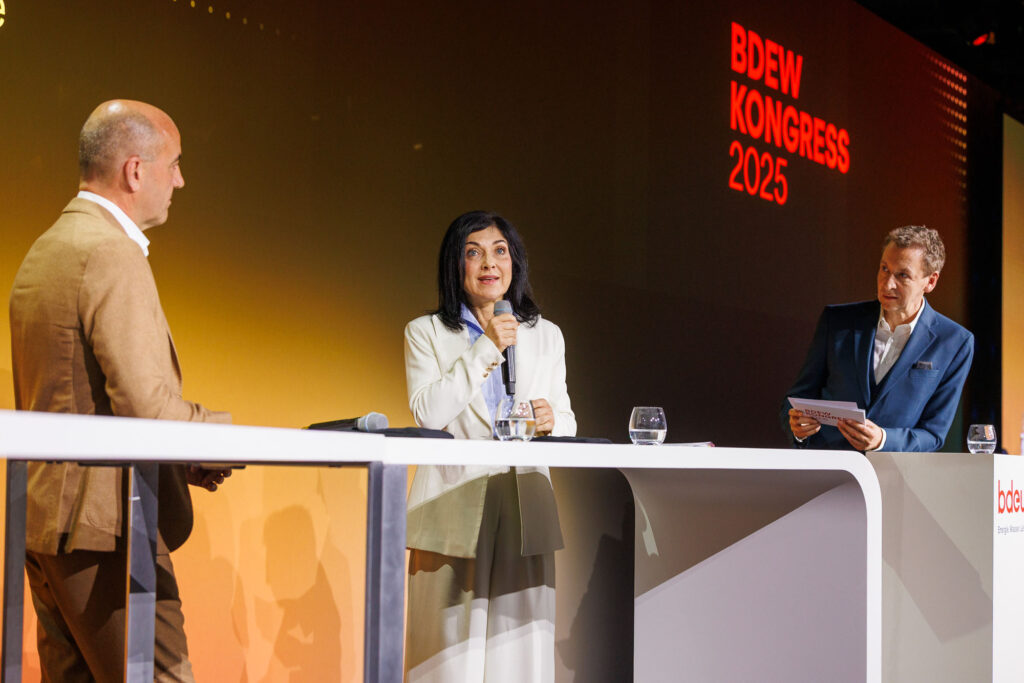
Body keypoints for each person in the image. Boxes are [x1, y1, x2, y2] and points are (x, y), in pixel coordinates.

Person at [9, 100, 232, 682]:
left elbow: (77, 398)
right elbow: (146, 407)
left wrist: (180, 460)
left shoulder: (49, 247)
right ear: (136, 171)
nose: (179, 180)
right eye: (174, 164)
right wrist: (227, 437)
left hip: (47, 524)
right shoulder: (111, 251)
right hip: (105, 526)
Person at [403, 210, 576, 682]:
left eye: (500, 251)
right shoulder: (426, 333)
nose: (489, 263)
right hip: (451, 509)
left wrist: (550, 420)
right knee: (446, 662)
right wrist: (487, 347)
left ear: (514, 262)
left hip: (525, 507)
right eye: (473, 252)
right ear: (455, 264)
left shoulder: (546, 335)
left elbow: (566, 419)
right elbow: (429, 413)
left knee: (519, 660)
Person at [782, 225, 974, 452]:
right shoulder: (837, 321)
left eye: (902, 275)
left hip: (894, 471)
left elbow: (934, 434)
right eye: (884, 269)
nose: (887, 283)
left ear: (930, 281)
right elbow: (798, 398)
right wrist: (797, 426)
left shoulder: (954, 341)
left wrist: (883, 440)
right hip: (829, 467)